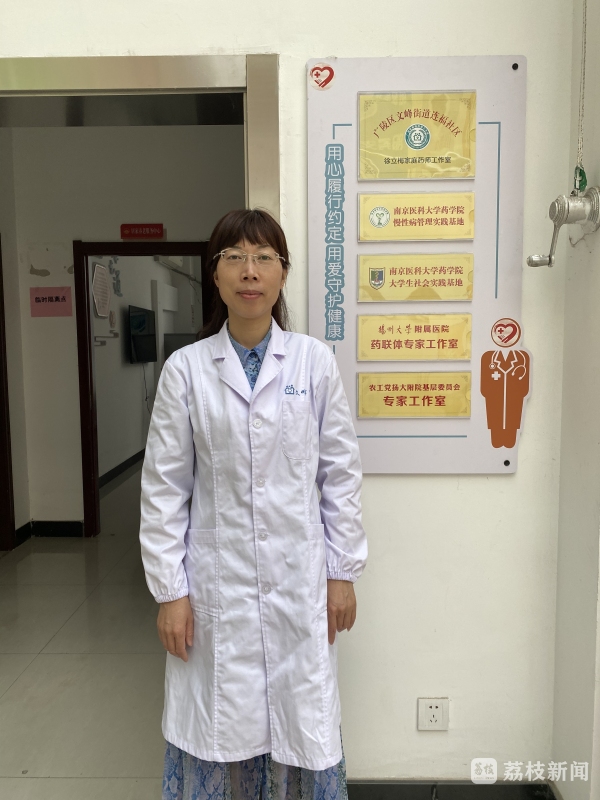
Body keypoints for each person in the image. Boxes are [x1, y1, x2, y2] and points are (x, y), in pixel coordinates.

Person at [139, 209, 368, 800]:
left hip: (299, 580)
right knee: (220, 724)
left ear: (282, 273)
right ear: (214, 275)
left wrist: (341, 573)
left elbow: (340, 475)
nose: (250, 271)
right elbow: (164, 490)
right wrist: (171, 593)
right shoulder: (186, 370)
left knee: (300, 723)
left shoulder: (313, 362)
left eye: (264, 257)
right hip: (216, 587)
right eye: (235, 257)